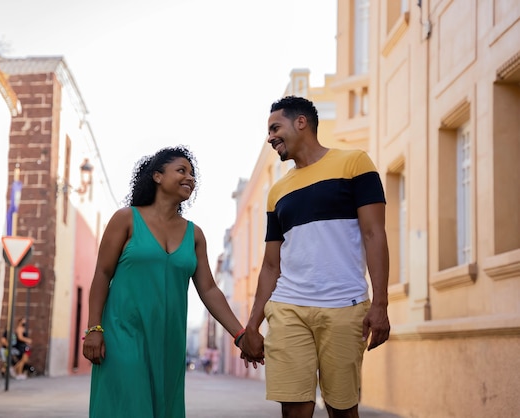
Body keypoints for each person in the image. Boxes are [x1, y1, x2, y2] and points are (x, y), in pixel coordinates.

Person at [82, 146, 258, 418]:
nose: (190, 178)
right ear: (157, 176)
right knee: (126, 407)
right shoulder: (126, 219)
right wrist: (94, 328)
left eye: (192, 174)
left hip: (169, 340)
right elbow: (102, 274)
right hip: (123, 333)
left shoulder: (194, 234)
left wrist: (240, 334)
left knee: (164, 408)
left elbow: (209, 290)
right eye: (181, 170)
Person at [242, 96, 391, 418]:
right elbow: (271, 264)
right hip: (288, 307)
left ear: (301, 122)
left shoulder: (355, 163)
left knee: (342, 408)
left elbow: (374, 234)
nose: (270, 137)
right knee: (295, 407)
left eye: (274, 128)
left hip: (344, 306)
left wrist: (380, 304)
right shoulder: (277, 192)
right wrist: (253, 324)